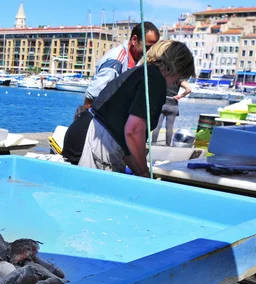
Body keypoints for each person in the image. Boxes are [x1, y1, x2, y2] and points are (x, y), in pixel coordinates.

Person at [64, 40, 195, 177]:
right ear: (177, 67)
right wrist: (144, 172)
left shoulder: (140, 72)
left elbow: (125, 141)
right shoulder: (155, 80)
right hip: (94, 141)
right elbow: (133, 131)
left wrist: (139, 170)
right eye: (180, 77)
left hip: (84, 133)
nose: (177, 83)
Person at [65, 22, 160, 164]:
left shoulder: (133, 60)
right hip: (96, 130)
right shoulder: (117, 61)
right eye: (147, 47)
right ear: (134, 40)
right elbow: (92, 96)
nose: (149, 52)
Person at [151, 80, 192, 146]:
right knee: (170, 126)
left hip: (162, 103)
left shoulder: (165, 78)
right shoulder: (178, 79)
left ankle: (153, 143)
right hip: (173, 104)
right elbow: (189, 89)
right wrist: (180, 96)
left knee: (157, 125)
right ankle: (168, 144)